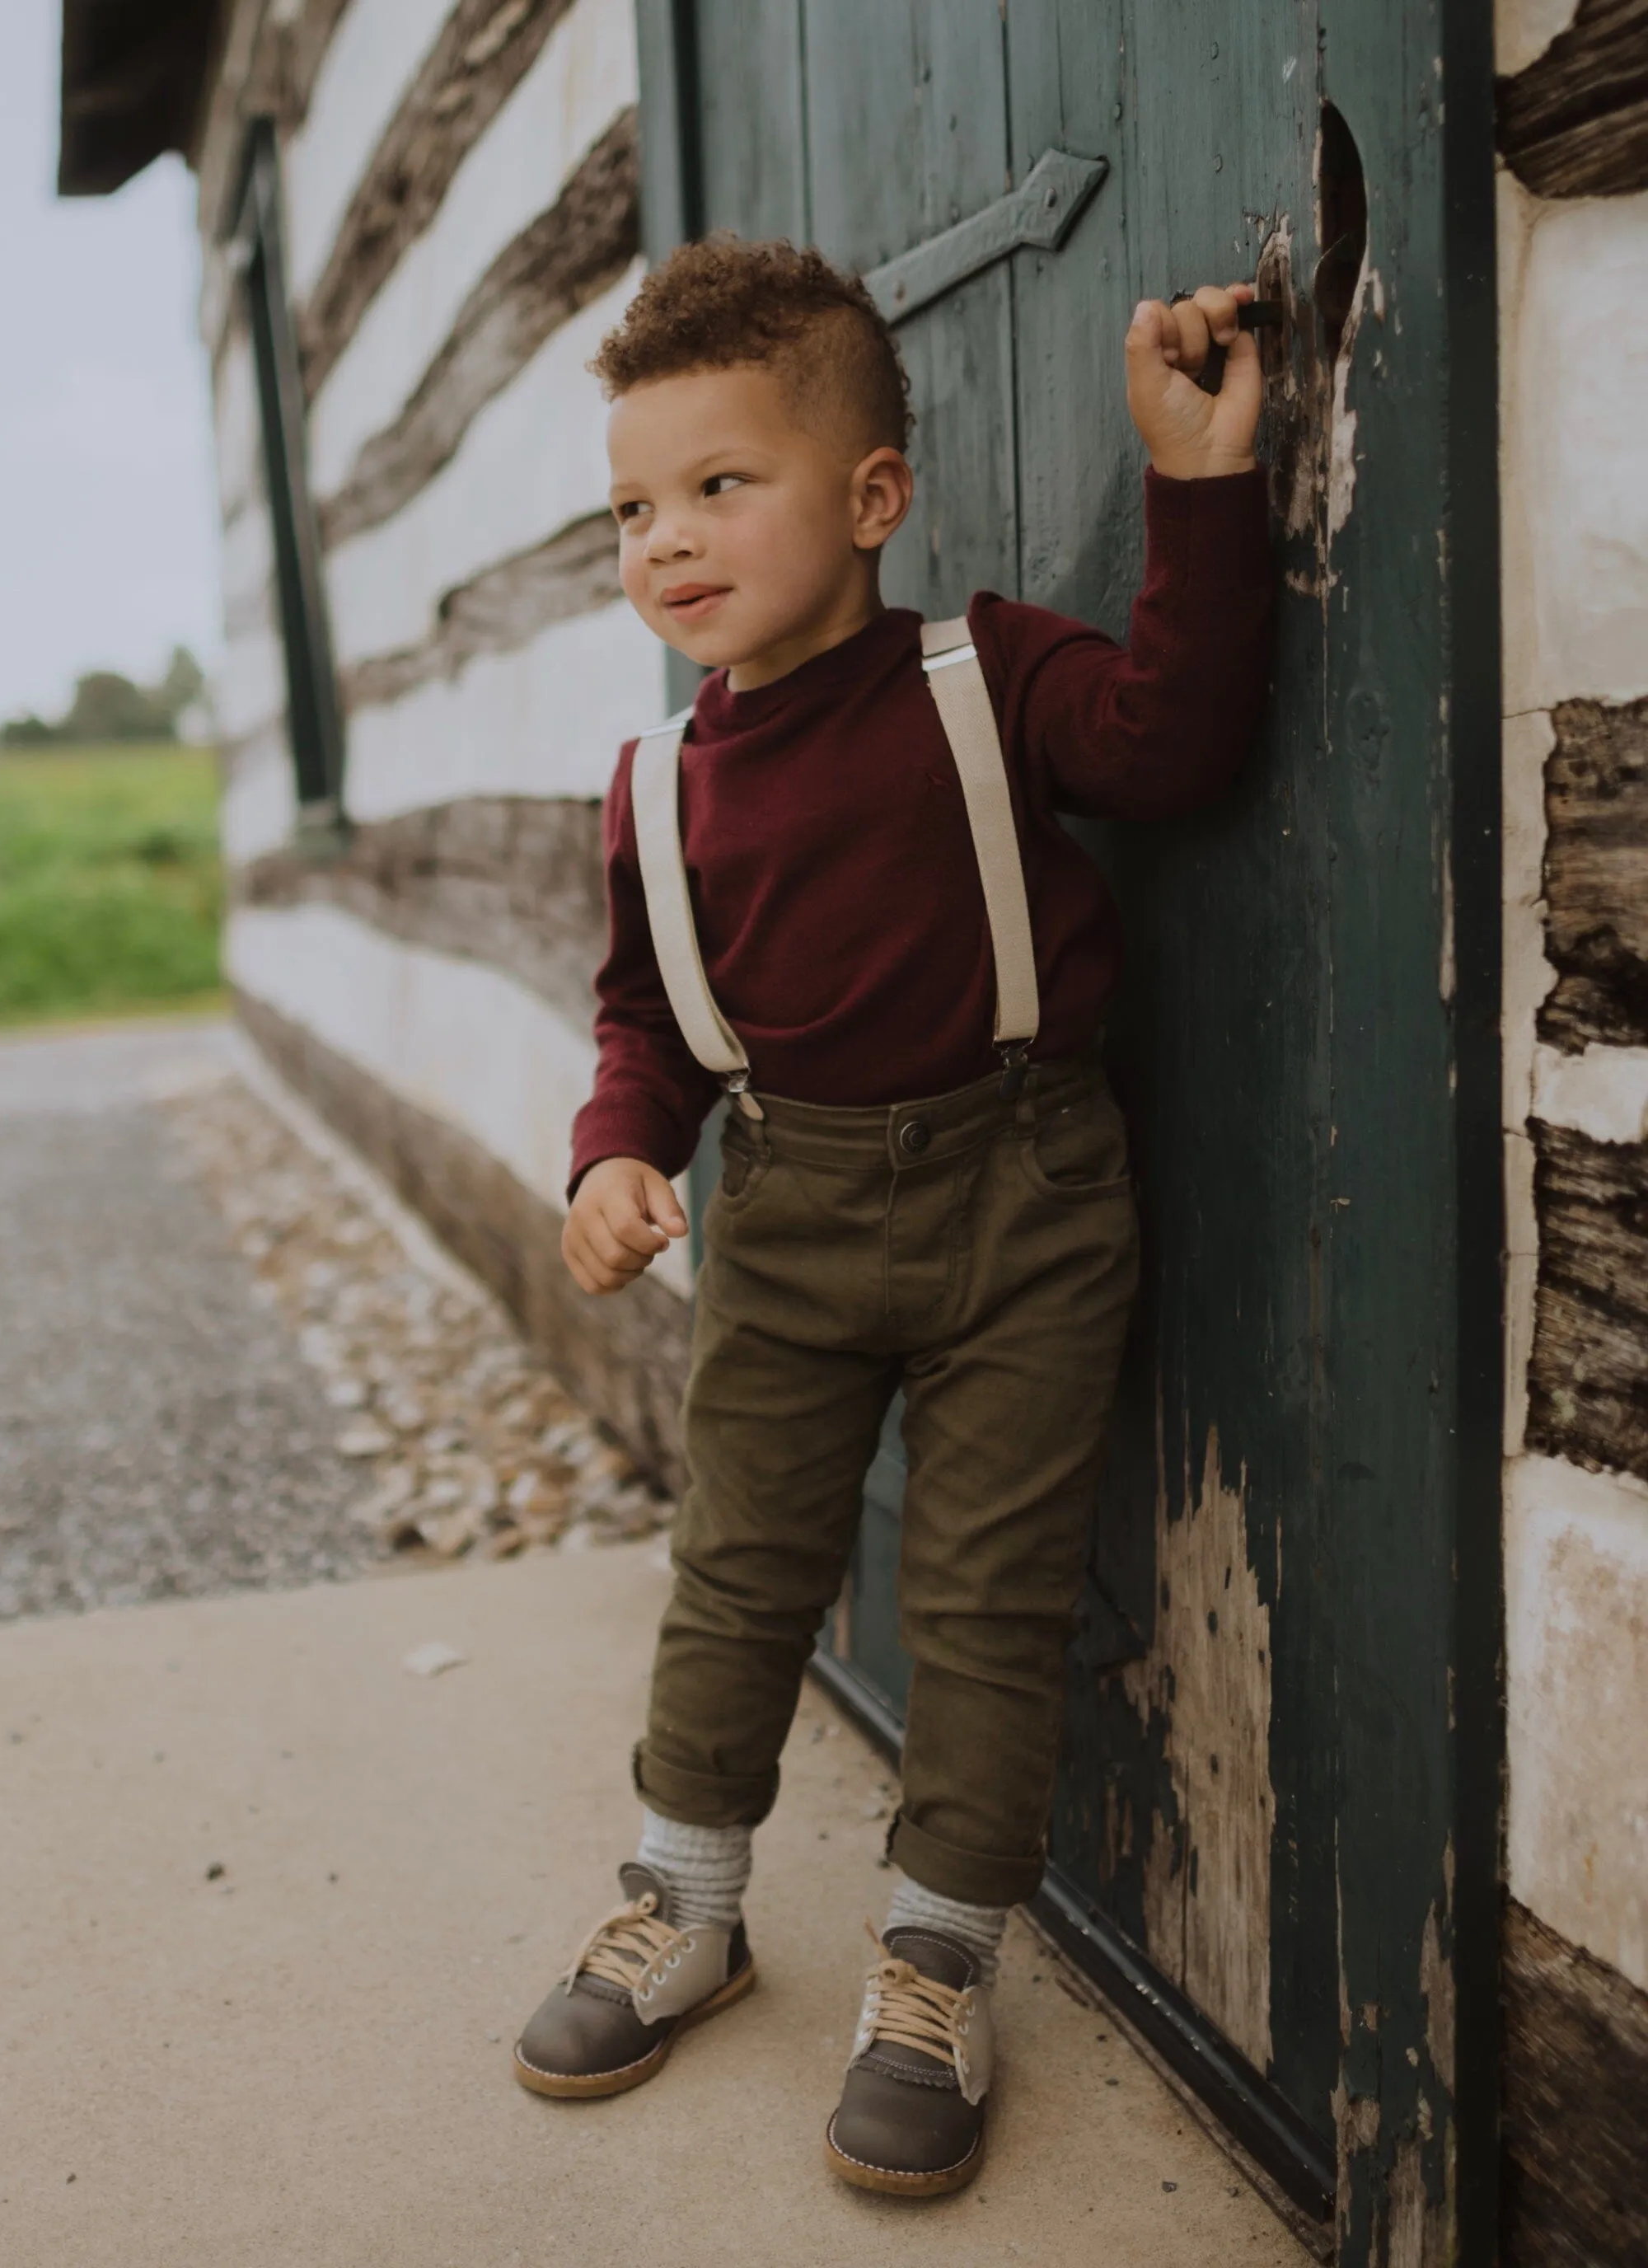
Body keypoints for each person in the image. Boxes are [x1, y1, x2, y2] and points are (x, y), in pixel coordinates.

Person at [510, 236, 1271, 2196]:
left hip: (1022, 1194)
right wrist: (615, 1151)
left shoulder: (980, 673)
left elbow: (1169, 750)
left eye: (715, 486)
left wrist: (1194, 483)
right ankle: (682, 1897)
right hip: (782, 1208)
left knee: (983, 1597)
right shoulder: (656, 781)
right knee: (742, 1565)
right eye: (629, 507)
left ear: (869, 497)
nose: (662, 538)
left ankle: (935, 1953)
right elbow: (645, 1015)